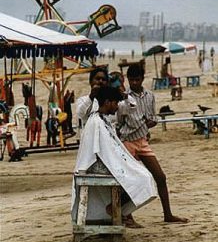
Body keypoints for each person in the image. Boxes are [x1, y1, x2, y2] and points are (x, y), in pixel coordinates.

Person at [72, 87, 157, 227]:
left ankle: (117, 209)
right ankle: (115, 208)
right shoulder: (96, 122)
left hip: (102, 162)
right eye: (115, 103)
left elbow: (110, 149)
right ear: (107, 102)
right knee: (143, 178)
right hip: (95, 165)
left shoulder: (101, 119)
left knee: (142, 175)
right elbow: (104, 152)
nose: (117, 106)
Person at [116, 64, 189, 224]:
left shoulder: (149, 96)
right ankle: (127, 215)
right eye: (131, 80)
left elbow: (153, 118)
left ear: (142, 79)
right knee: (130, 180)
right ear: (128, 80)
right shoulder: (123, 97)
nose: (134, 83)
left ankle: (168, 214)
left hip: (142, 141)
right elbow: (119, 123)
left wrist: (148, 123)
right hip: (127, 142)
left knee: (160, 177)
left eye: (137, 80)